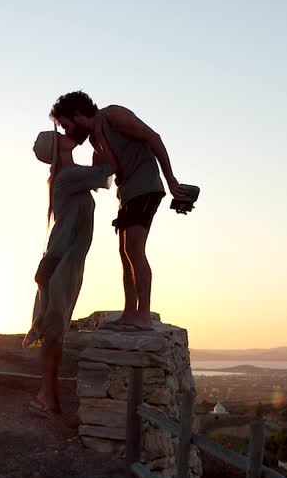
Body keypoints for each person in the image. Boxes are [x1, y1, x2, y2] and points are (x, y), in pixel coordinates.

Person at [50, 91, 189, 330]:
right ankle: (130, 313)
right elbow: (101, 175)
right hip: (127, 195)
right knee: (125, 256)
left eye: (65, 125)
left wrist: (172, 181)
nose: (66, 131)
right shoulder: (96, 139)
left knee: (134, 250)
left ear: (77, 114)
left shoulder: (113, 115)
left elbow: (153, 137)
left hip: (145, 187)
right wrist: (66, 163)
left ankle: (143, 316)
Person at [23, 128, 113, 418]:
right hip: (60, 264)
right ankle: (46, 399)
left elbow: (102, 174)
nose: (65, 135)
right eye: (59, 135)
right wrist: (100, 134)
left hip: (62, 263)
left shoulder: (69, 175)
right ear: (56, 147)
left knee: (56, 333)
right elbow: (108, 170)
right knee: (53, 333)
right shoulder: (68, 177)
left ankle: (46, 397)